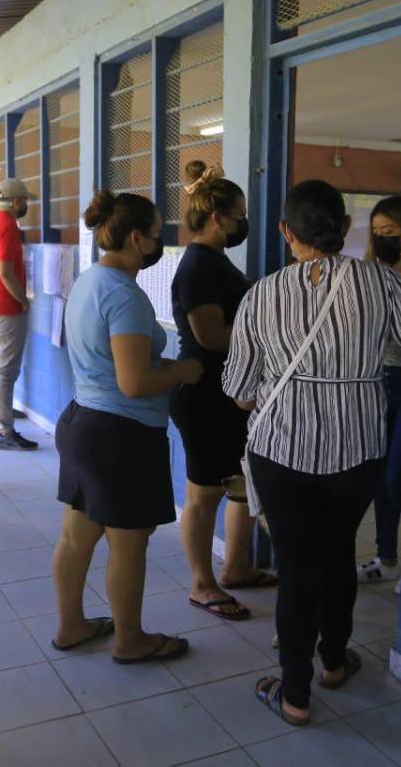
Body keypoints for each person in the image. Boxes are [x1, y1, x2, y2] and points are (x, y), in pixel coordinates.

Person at [222, 180, 401, 726]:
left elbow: (237, 389)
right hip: (357, 451)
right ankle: (333, 661)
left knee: (298, 566)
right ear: (347, 229)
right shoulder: (381, 285)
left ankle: (295, 694)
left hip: (280, 452)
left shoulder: (260, 295)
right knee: (335, 556)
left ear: (285, 233)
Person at [51, 190, 203, 662]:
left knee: (77, 536)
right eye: (159, 234)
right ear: (137, 239)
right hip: (121, 435)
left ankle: (72, 626)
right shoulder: (125, 295)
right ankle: (131, 640)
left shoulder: (90, 280)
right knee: (129, 544)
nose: (162, 243)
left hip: (82, 422)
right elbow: (135, 382)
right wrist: (182, 370)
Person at [169, 161, 274, 623]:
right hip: (205, 394)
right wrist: (268, 331)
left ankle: (235, 568)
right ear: (218, 218)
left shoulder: (213, 261)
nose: (241, 224)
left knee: (236, 483)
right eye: (238, 215)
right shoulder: (197, 266)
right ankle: (202, 584)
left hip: (229, 392)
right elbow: (210, 335)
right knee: (203, 493)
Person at [357, 196, 401, 593]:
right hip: (376, 381)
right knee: (378, 480)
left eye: (392, 232)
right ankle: (386, 558)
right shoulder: (370, 272)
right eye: (378, 233)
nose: (383, 239)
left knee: (396, 478)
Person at [0, 177, 37, 450]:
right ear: (15, 201)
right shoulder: (8, 226)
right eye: (24, 200)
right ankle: (5, 431)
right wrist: (22, 301)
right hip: (5, 310)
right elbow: (6, 272)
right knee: (5, 373)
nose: (26, 204)